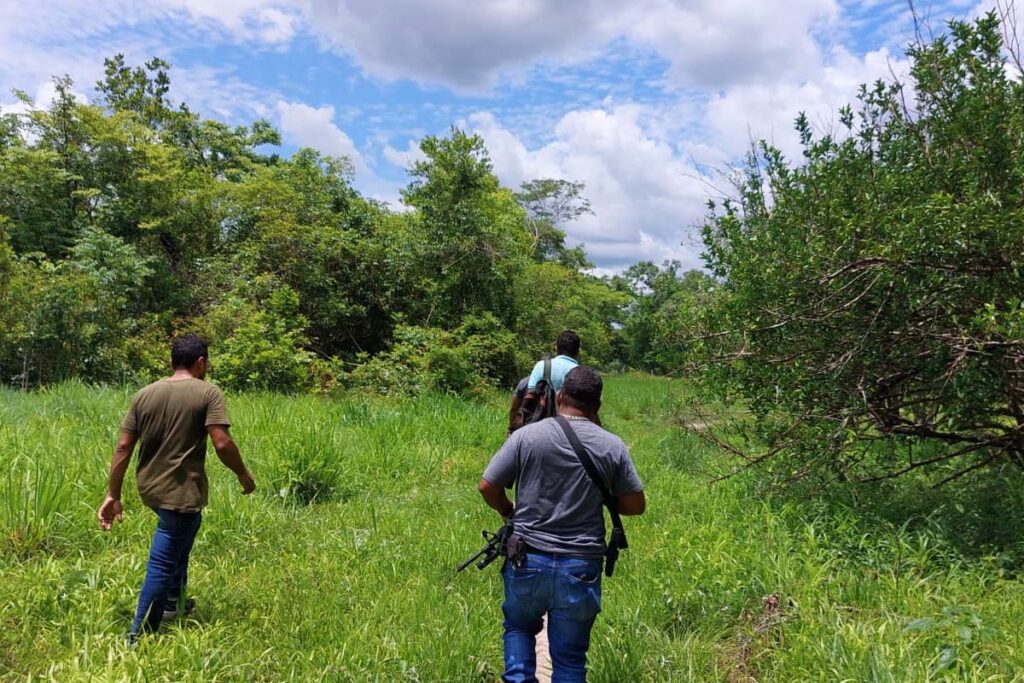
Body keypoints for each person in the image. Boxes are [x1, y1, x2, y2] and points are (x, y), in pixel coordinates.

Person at [479, 366, 646, 682]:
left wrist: (509, 511)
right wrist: (603, 494)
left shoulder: (526, 436)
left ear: (559, 397)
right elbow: (635, 506)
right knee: (570, 661)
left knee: (518, 628)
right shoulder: (612, 445)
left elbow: (487, 486)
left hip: (527, 558)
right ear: (597, 406)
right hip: (580, 566)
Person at [97, 334, 256, 641]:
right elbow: (222, 443)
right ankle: (139, 636)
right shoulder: (208, 393)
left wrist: (113, 493)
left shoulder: (144, 394)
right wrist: (243, 475)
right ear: (201, 363)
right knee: (163, 559)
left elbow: (123, 446)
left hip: (150, 489)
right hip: (180, 491)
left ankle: (173, 602)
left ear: (171, 362)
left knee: (182, 535)